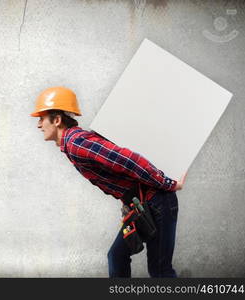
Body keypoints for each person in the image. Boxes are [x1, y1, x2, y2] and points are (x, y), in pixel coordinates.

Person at [30, 86, 187, 278]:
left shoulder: (77, 142)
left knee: (160, 271)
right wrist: (128, 202)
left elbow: (127, 160)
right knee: (117, 256)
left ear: (56, 120)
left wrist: (168, 183)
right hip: (143, 205)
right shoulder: (72, 145)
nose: (38, 125)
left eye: (41, 119)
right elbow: (118, 174)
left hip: (158, 201)